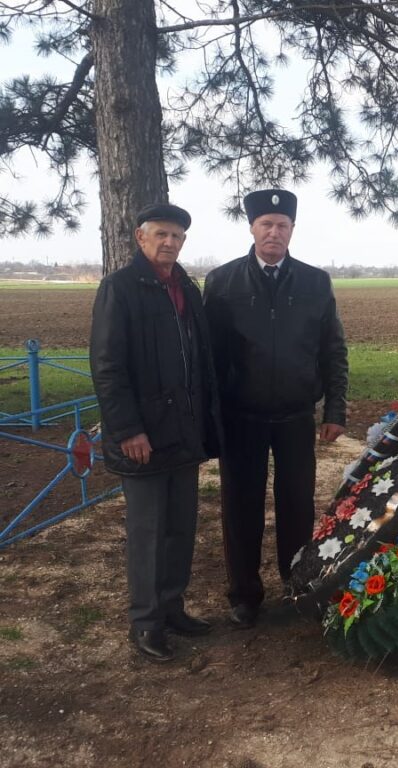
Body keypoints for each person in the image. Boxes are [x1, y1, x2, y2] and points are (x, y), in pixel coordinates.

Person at [203, 189, 349, 629]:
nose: (274, 232)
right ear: (252, 228)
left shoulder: (314, 282)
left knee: (297, 506)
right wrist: (211, 418)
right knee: (240, 507)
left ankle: (295, 585)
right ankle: (244, 595)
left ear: (291, 231)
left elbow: (333, 350)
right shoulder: (223, 282)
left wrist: (335, 409)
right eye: (266, 224)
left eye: (282, 225)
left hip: (294, 417)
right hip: (241, 417)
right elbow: (210, 358)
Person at [90, 203, 221, 662]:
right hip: (143, 435)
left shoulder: (185, 287)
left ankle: (172, 608)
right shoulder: (120, 289)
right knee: (147, 532)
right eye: (161, 234)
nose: (170, 243)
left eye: (178, 236)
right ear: (139, 238)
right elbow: (108, 367)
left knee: (180, 528)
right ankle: (145, 623)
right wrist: (128, 429)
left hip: (183, 432)